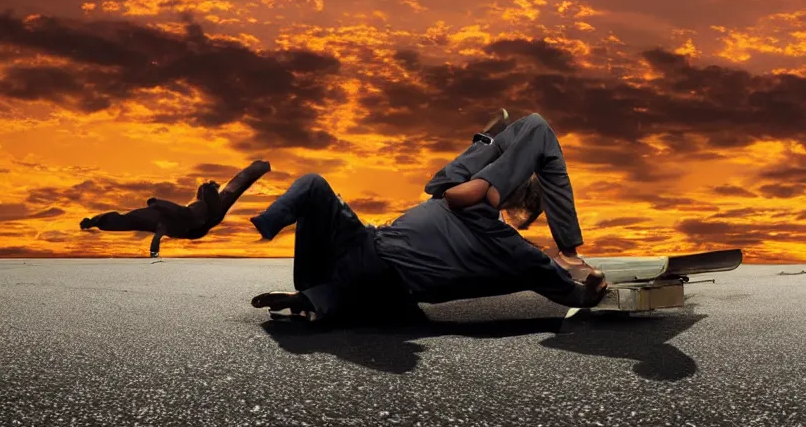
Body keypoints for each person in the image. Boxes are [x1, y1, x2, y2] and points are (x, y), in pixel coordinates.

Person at [250, 112, 608, 322]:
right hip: (358, 242)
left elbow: (567, 292)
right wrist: (488, 142)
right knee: (314, 185)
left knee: (535, 127)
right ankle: (268, 230)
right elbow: (437, 181)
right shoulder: (453, 195)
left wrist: (588, 290)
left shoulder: (510, 249)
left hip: (383, 282)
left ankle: (313, 300)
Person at [80, 160, 271, 257]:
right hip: (186, 223)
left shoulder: (202, 211)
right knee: (129, 219)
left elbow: (237, 185)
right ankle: (97, 221)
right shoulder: (195, 210)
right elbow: (236, 184)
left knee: (224, 193)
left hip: (191, 223)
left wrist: (157, 205)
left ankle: (98, 221)